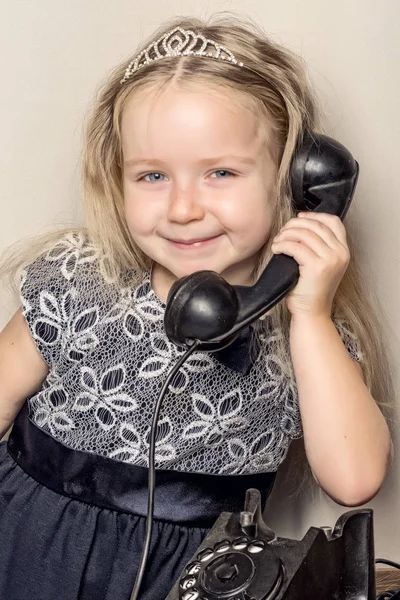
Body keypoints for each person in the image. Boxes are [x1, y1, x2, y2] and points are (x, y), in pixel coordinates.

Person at [0, 14, 393, 600]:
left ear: (295, 181)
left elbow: (356, 480)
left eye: (221, 173)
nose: (183, 208)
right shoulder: (78, 277)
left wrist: (309, 315)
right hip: (31, 542)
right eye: (153, 175)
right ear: (117, 179)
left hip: (196, 573)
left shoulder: (307, 330)